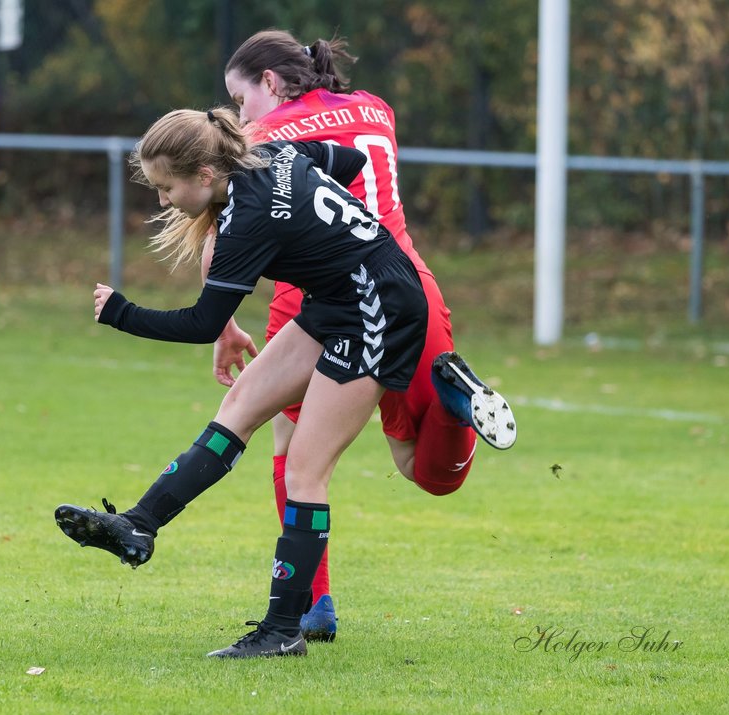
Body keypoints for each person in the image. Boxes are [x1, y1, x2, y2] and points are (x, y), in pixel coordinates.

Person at [53, 108, 516, 658]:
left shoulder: (249, 218)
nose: (161, 201)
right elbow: (346, 160)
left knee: (307, 468)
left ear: (205, 175)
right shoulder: (271, 155)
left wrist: (121, 313)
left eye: (165, 187)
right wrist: (330, 236)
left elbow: (204, 323)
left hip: (380, 312)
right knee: (241, 405)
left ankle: (282, 631)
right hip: (345, 297)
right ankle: (138, 525)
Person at [205, 30, 507, 641]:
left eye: (241, 100)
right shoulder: (377, 108)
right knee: (427, 471)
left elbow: (222, 228)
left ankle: (311, 605)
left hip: (312, 300)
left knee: (291, 448)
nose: (241, 118)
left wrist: (225, 323)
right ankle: (456, 405)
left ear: (269, 83)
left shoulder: (261, 137)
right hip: (409, 288)